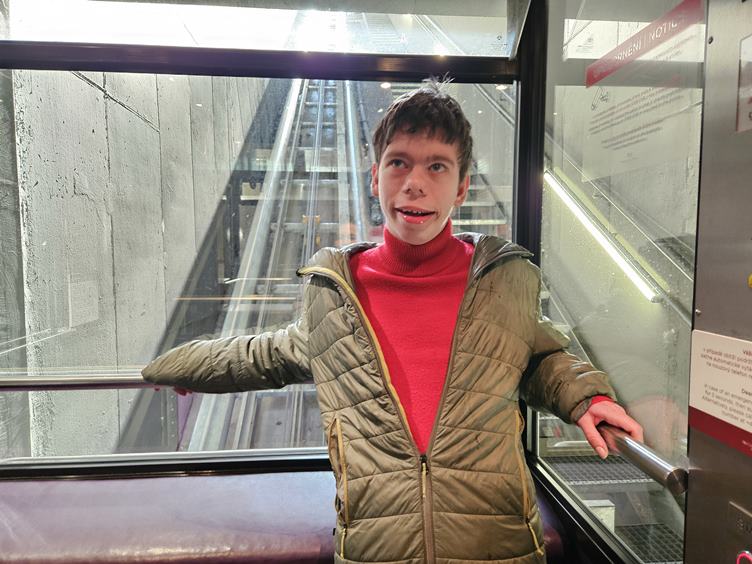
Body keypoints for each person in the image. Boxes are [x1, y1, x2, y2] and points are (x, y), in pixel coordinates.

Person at [142, 79, 643, 564]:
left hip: (499, 548)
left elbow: (540, 356)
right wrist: (176, 366)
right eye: (399, 162)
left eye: (437, 166)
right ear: (375, 176)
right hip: (377, 551)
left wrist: (589, 398)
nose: (415, 183)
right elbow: (264, 356)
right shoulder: (336, 295)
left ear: (462, 187)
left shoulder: (502, 281)